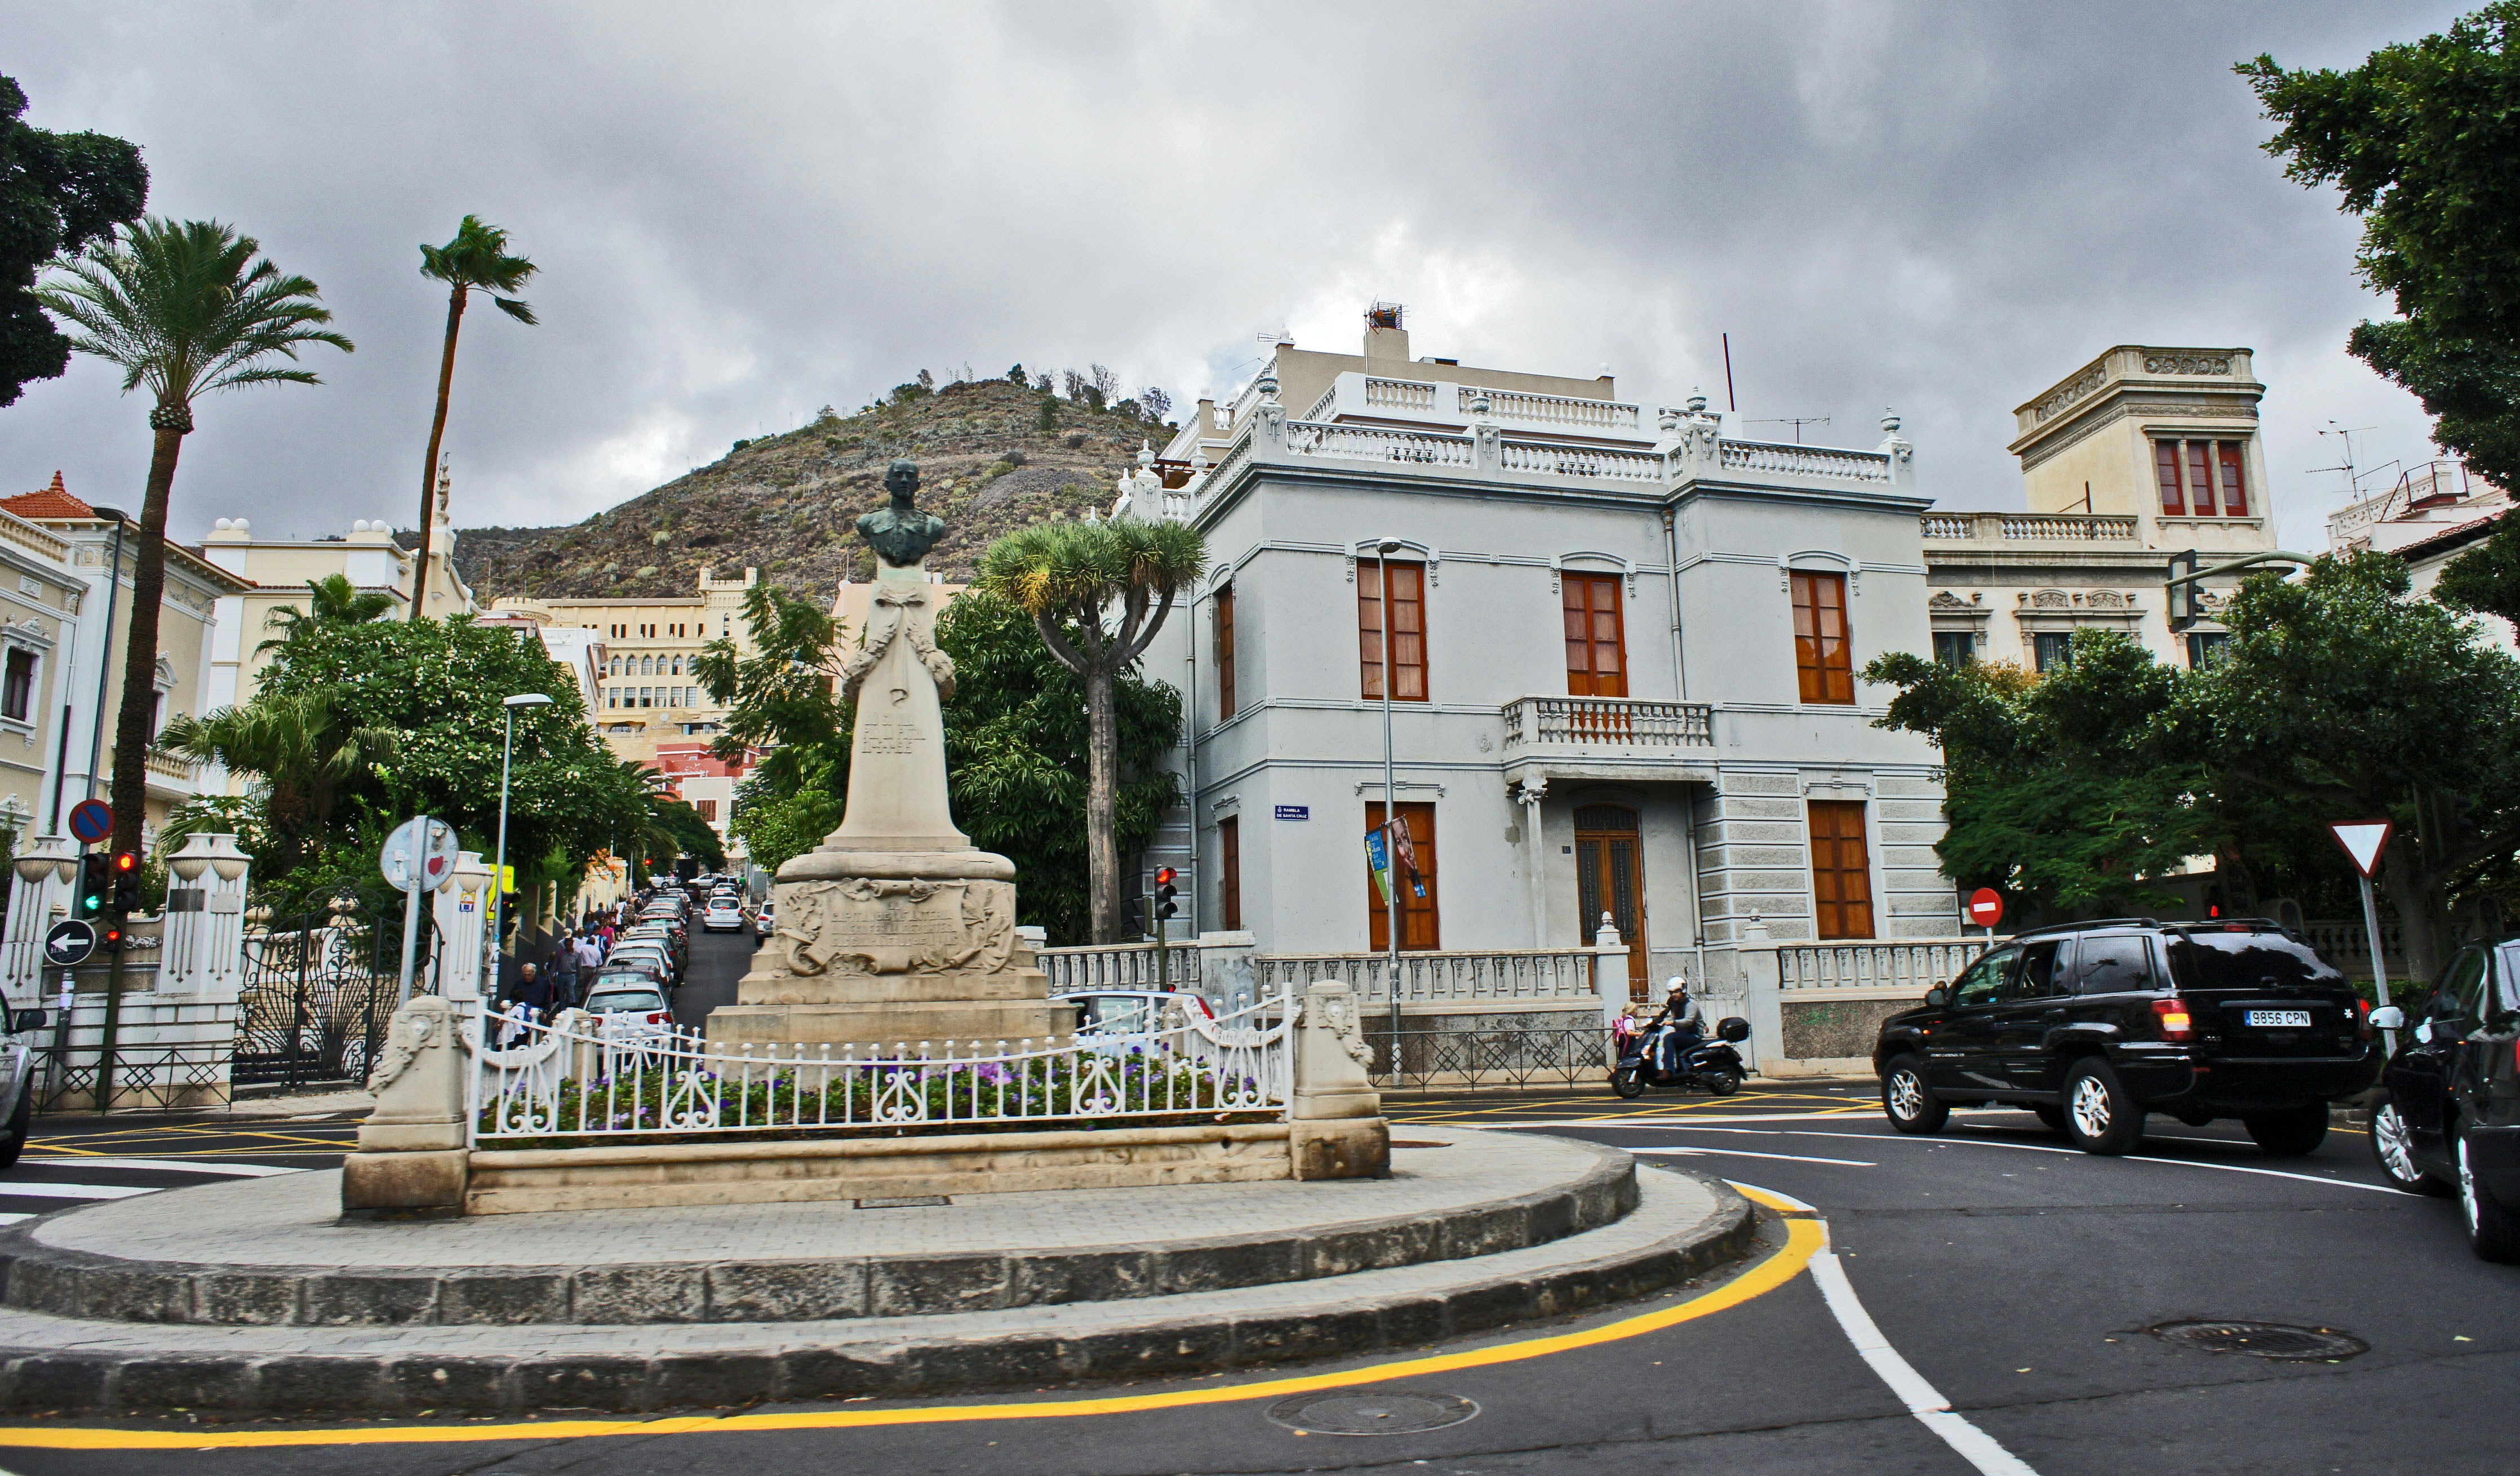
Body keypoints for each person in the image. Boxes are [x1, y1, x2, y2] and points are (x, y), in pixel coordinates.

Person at [1647, 976, 1705, 1077]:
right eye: (1671, 993)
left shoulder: (1690, 1004)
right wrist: (1653, 1022)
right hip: (1683, 1033)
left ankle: (1668, 1070)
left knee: (1669, 1038)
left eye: (1676, 992)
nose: (1674, 995)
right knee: (1667, 1040)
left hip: (1694, 1034)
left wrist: (1672, 1023)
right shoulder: (1672, 1001)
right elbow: (1664, 1012)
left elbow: (1689, 1021)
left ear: (1683, 990)